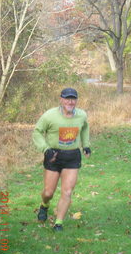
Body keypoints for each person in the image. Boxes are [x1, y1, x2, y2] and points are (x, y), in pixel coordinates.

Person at [32, 87, 91, 232]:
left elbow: (84, 128)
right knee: (48, 192)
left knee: (67, 192)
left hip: (72, 156)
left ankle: (58, 223)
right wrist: (45, 149)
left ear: (76, 100)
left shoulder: (81, 115)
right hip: (53, 156)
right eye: (67, 98)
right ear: (61, 99)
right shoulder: (50, 116)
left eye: (73, 99)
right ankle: (44, 205)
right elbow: (37, 132)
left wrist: (86, 145)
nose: (70, 102)